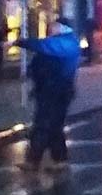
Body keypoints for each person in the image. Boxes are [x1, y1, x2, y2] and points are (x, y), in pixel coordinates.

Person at [16, 17, 82, 171]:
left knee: (43, 124)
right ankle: (59, 159)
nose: (51, 28)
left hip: (57, 91)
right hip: (49, 89)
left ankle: (34, 160)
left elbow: (44, 46)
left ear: (62, 27)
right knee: (54, 126)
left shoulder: (67, 43)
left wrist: (21, 42)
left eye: (54, 25)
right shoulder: (60, 42)